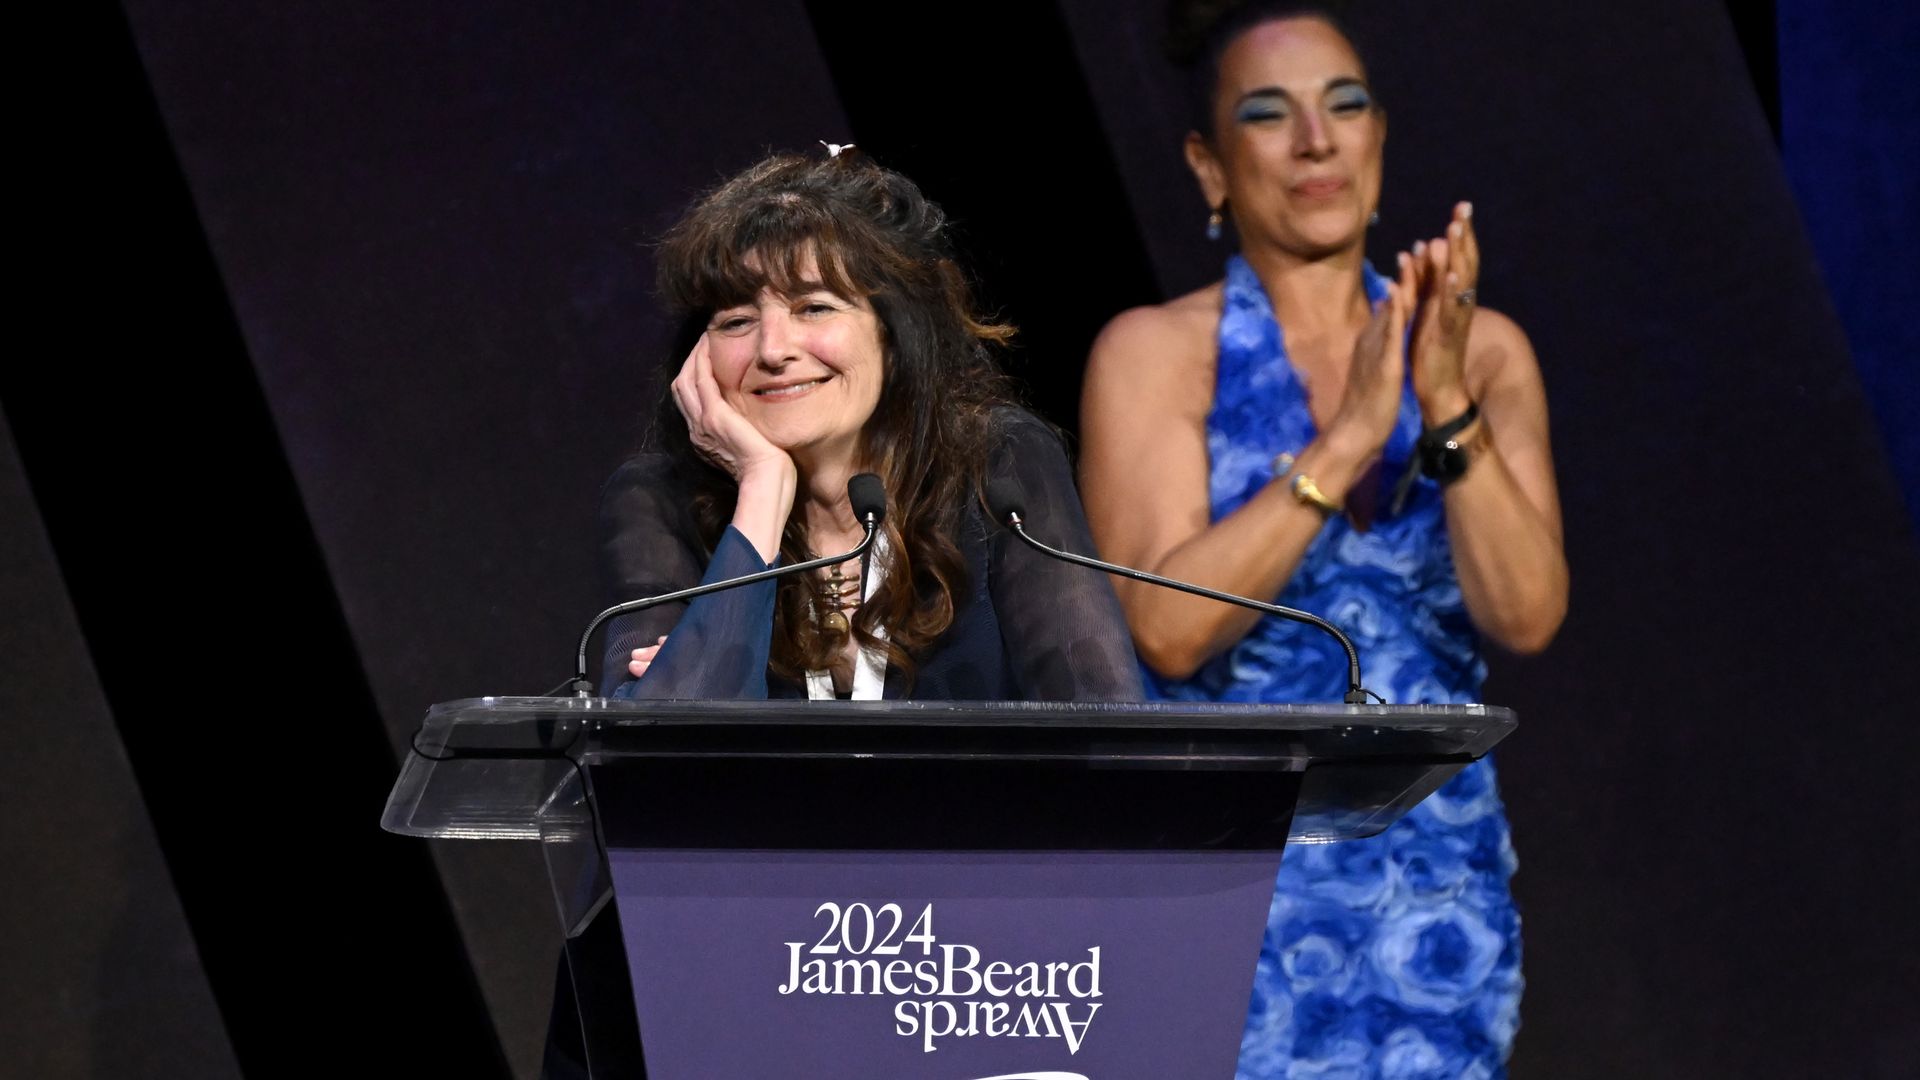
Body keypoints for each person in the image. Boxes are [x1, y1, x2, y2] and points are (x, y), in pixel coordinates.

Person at [1078, 3, 1568, 1076]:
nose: (1315, 141)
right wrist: (1345, 443)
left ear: (1379, 143)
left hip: (1434, 907)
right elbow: (1163, 630)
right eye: (1270, 115)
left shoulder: (1483, 354)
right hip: (1226, 897)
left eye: (1344, 108)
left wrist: (1445, 413)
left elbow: (1526, 611)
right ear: (1210, 167)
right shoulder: (1156, 356)